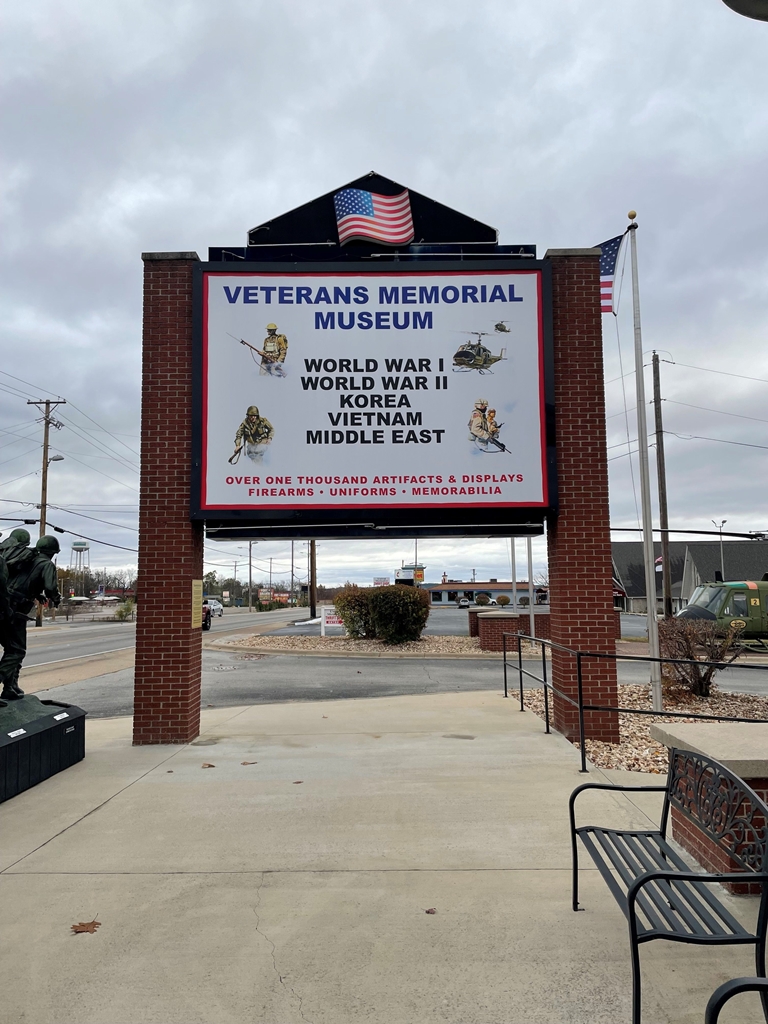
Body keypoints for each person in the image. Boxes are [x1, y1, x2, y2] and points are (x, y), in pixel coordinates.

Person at [0, 535, 62, 701]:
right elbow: (50, 587)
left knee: (12, 649)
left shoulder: (26, 560)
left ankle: (10, 687)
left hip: (5, 606)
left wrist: (36, 594)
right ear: (53, 553)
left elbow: (21, 582)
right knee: (17, 650)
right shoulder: (46, 564)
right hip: (15, 611)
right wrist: (55, 597)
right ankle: (7, 684)